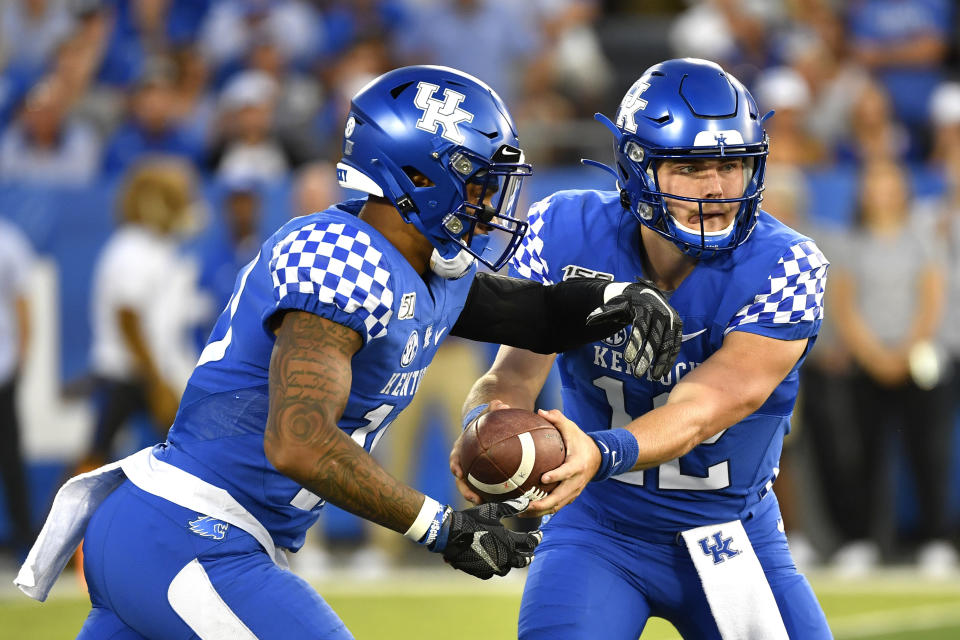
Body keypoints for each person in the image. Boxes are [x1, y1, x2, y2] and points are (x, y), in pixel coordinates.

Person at [16, 65, 682, 639]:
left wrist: (623, 299)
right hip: (189, 533)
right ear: (415, 174)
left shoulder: (429, 264)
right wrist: (442, 529)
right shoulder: (341, 257)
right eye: (476, 181)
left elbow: (531, 313)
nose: (491, 200)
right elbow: (299, 441)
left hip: (189, 535)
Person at [457, 58, 832, 639]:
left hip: (727, 532)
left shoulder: (786, 264)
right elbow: (512, 377)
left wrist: (596, 454)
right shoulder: (563, 228)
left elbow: (700, 410)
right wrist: (488, 436)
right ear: (638, 168)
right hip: (597, 531)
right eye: (691, 165)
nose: (717, 187)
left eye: (733, 166)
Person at [0, 218, 34, 562]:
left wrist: (21, 357)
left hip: (2, 369)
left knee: (11, 458)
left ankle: (23, 537)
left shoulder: (7, 240)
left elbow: (22, 302)